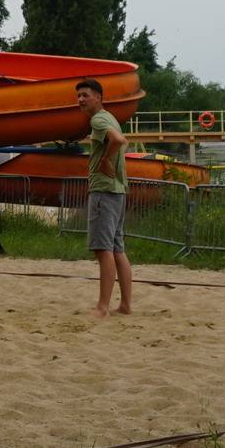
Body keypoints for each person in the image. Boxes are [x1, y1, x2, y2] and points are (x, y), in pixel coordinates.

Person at [75, 79, 134, 316]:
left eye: (85, 95)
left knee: (103, 250)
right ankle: (126, 305)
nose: (80, 99)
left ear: (99, 97)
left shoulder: (98, 119)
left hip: (104, 191)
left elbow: (119, 142)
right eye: (78, 95)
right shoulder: (110, 117)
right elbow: (123, 141)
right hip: (118, 190)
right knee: (117, 249)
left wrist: (104, 160)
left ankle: (102, 307)